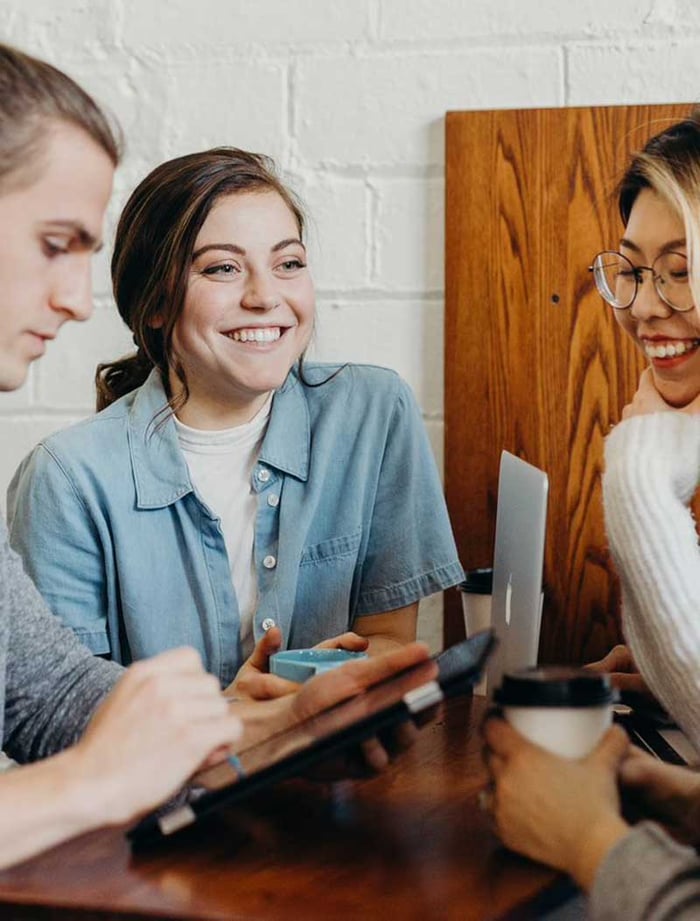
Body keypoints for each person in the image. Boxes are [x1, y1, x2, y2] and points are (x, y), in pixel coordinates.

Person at [0, 41, 434, 870]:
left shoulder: (369, 408)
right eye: (55, 242)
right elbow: (72, 752)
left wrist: (271, 734)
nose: (75, 298)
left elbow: (52, 695)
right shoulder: (71, 472)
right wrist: (96, 781)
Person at [6, 146, 463, 694]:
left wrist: (320, 687)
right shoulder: (66, 478)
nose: (266, 296)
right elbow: (61, 712)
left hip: (336, 770)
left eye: (288, 263)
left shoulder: (372, 413)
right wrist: (242, 718)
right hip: (166, 781)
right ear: (153, 303)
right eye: (223, 268)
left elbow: (389, 640)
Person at [483, 111, 700, 919]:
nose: (643, 307)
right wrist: (671, 790)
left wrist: (639, 477)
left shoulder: (656, 455)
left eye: (681, 270)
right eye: (635, 271)